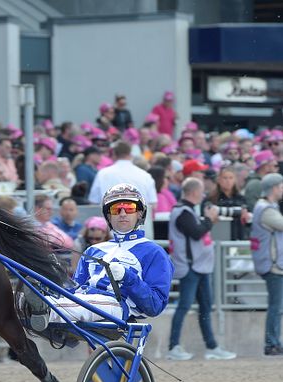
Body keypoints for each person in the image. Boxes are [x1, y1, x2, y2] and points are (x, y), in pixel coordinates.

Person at [0, 184, 174, 331]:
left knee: (41, 306)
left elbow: (155, 305)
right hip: (82, 302)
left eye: (128, 208)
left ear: (140, 214)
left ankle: (41, 308)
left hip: (118, 308)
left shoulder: (153, 252)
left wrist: (128, 278)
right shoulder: (94, 250)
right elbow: (78, 288)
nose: (121, 213)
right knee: (8, 303)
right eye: (115, 209)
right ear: (107, 215)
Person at [167, 178, 236, 361]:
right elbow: (196, 232)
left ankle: (212, 346)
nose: (203, 194)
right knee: (184, 306)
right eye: (201, 191)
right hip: (190, 267)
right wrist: (210, 219)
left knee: (205, 306)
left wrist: (207, 220)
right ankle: (173, 346)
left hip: (200, 267)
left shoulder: (188, 210)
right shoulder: (182, 211)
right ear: (194, 192)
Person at [250, 173, 283, 356]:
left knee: (277, 306)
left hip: (273, 263)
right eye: (281, 186)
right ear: (274, 188)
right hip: (272, 264)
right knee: (276, 306)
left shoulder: (267, 206)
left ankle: (275, 342)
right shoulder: (266, 209)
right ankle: (271, 343)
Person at [88, 141, 157, 207]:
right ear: (130, 154)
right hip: (139, 217)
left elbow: (93, 203)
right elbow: (153, 205)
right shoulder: (145, 176)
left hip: (109, 216)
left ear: (114, 154)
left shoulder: (102, 174)